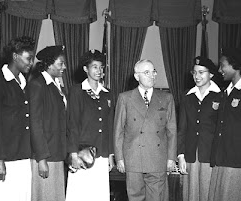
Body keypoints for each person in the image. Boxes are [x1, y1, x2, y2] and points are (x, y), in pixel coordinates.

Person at [0, 36, 35, 201]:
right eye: (28, 58)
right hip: (3, 158)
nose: (31, 63)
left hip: (22, 156)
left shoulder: (24, 82)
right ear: (15, 56)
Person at [114, 59, 177, 201]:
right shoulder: (125, 98)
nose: (152, 76)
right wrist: (119, 158)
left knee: (157, 198)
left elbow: (171, 131)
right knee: (135, 197)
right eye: (146, 72)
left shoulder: (166, 98)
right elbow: (119, 130)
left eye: (153, 72)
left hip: (157, 158)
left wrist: (171, 158)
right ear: (137, 76)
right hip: (133, 157)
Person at [208, 48, 241, 201]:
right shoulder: (225, 93)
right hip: (221, 160)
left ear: (235, 66)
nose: (219, 70)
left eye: (222, 65)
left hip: (239, 164)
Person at [65, 49, 114, 201]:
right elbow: (72, 124)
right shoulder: (77, 91)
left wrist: (110, 155)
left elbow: (110, 125)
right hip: (82, 154)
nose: (99, 70)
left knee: (99, 195)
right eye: (94, 66)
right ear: (85, 69)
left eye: (101, 67)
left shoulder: (107, 93)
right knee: (80, 194)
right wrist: (73, 154)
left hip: (102, 154)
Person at [177, 56, 221, 201]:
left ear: (211, 75)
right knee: (191, 193)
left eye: (201, 72)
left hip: (211, 154)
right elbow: (182, 128)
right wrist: (181, 155)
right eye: (194, 72)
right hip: (191, 153)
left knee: (209, 193)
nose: (197, 76)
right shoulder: (187, 96)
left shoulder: (221, 96)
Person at [28, 45, 67, 201]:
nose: (64, 67)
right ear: (49, 64)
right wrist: (41, 158)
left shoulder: (55, 85)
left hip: (56, 153)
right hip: (45, 155)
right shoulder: (37, 85)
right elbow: (35, 123)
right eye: (60, 63)